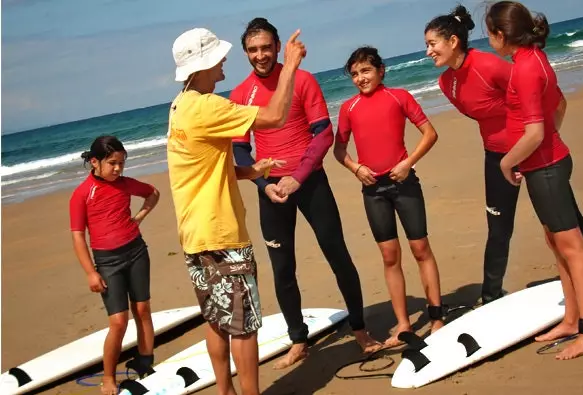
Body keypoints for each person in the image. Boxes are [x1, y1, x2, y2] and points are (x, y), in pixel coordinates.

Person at [424, 5, 583, 318]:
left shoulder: (490, 65)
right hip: (496, 157)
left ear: (452, 41)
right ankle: (490, 299)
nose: (427, 51)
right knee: (499, 228)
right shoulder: (445, 83)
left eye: (432, 44)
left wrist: (544, 140)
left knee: (569, 227)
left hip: (529, 153)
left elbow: (550, 97)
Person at [230, 17, 382, 369]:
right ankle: (298, 339)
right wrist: (265, 185)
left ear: (278, 45)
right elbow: (240, 150)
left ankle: (360, 330)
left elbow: (323, 134)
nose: (261, 55)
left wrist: (297, 177)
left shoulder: (303, 79)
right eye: (253, 49)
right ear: (245, 53)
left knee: (337, 255)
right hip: (272, 192)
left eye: (266, 47)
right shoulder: (240, 95)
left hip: (309, 183)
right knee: (282, 269)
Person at [166, 25, 306, 395]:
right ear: (204, 64)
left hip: (194, 233)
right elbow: (275, 115)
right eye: (218, 55)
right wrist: (289, 64)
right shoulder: (209, 106)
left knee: (216, 320)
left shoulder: (180, 105)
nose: (225, 59)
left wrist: (250, 171)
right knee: (243, 324)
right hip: (221, 233)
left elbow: (203, 165)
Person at [483, 0, 583, 360]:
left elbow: (535, 132)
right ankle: (571, 318)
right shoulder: (534, 58)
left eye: (489, 34)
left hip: (547, 169)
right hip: (545, 164)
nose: (488, 41)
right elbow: (560, 106)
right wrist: (542, 150)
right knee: (556, 242)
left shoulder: (524, 69)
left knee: (573, 248)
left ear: (502, 35)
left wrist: (508, 162)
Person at [333, 46, 445, 346]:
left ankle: (436, 317)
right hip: (373, 190)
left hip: (404, 183)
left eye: (366, 71)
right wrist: (356, 169)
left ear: (381, 71)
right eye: (355, 74)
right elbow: (339, 150)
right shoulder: (348, 109)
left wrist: (408, 164)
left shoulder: (400, 97)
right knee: (389, 256)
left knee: (420, 247)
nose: (360, 78)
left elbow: (430, 133)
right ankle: (404, 324)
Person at [69, 135, 160, 395]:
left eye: (122, 163)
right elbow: (77, 236)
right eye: (113, 163)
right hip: (107, 262)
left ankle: (145, 361)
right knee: (119, 321)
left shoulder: (125, 184)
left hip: (136, 251)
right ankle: (108, 377)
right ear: (95, 162)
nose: (118, 169)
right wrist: (90, 272)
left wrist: (140, 217)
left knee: (142, 309)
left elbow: (153, 193)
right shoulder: (82, 194)